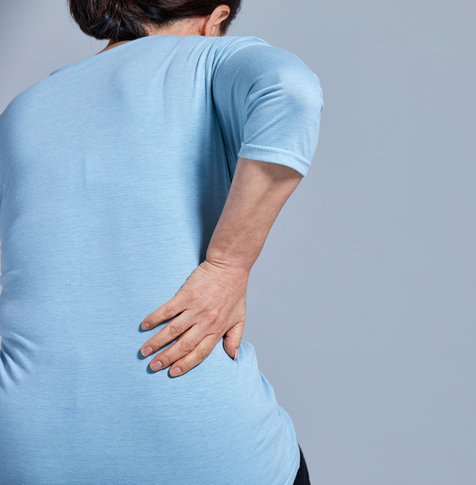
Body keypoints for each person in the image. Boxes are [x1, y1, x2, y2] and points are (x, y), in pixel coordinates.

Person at [0, 0, 323, 483]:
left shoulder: (21, 109)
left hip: (25, 449)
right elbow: (291, 89)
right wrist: (228, 265)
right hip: (200, 447)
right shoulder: (211, 59)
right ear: (215, 19)